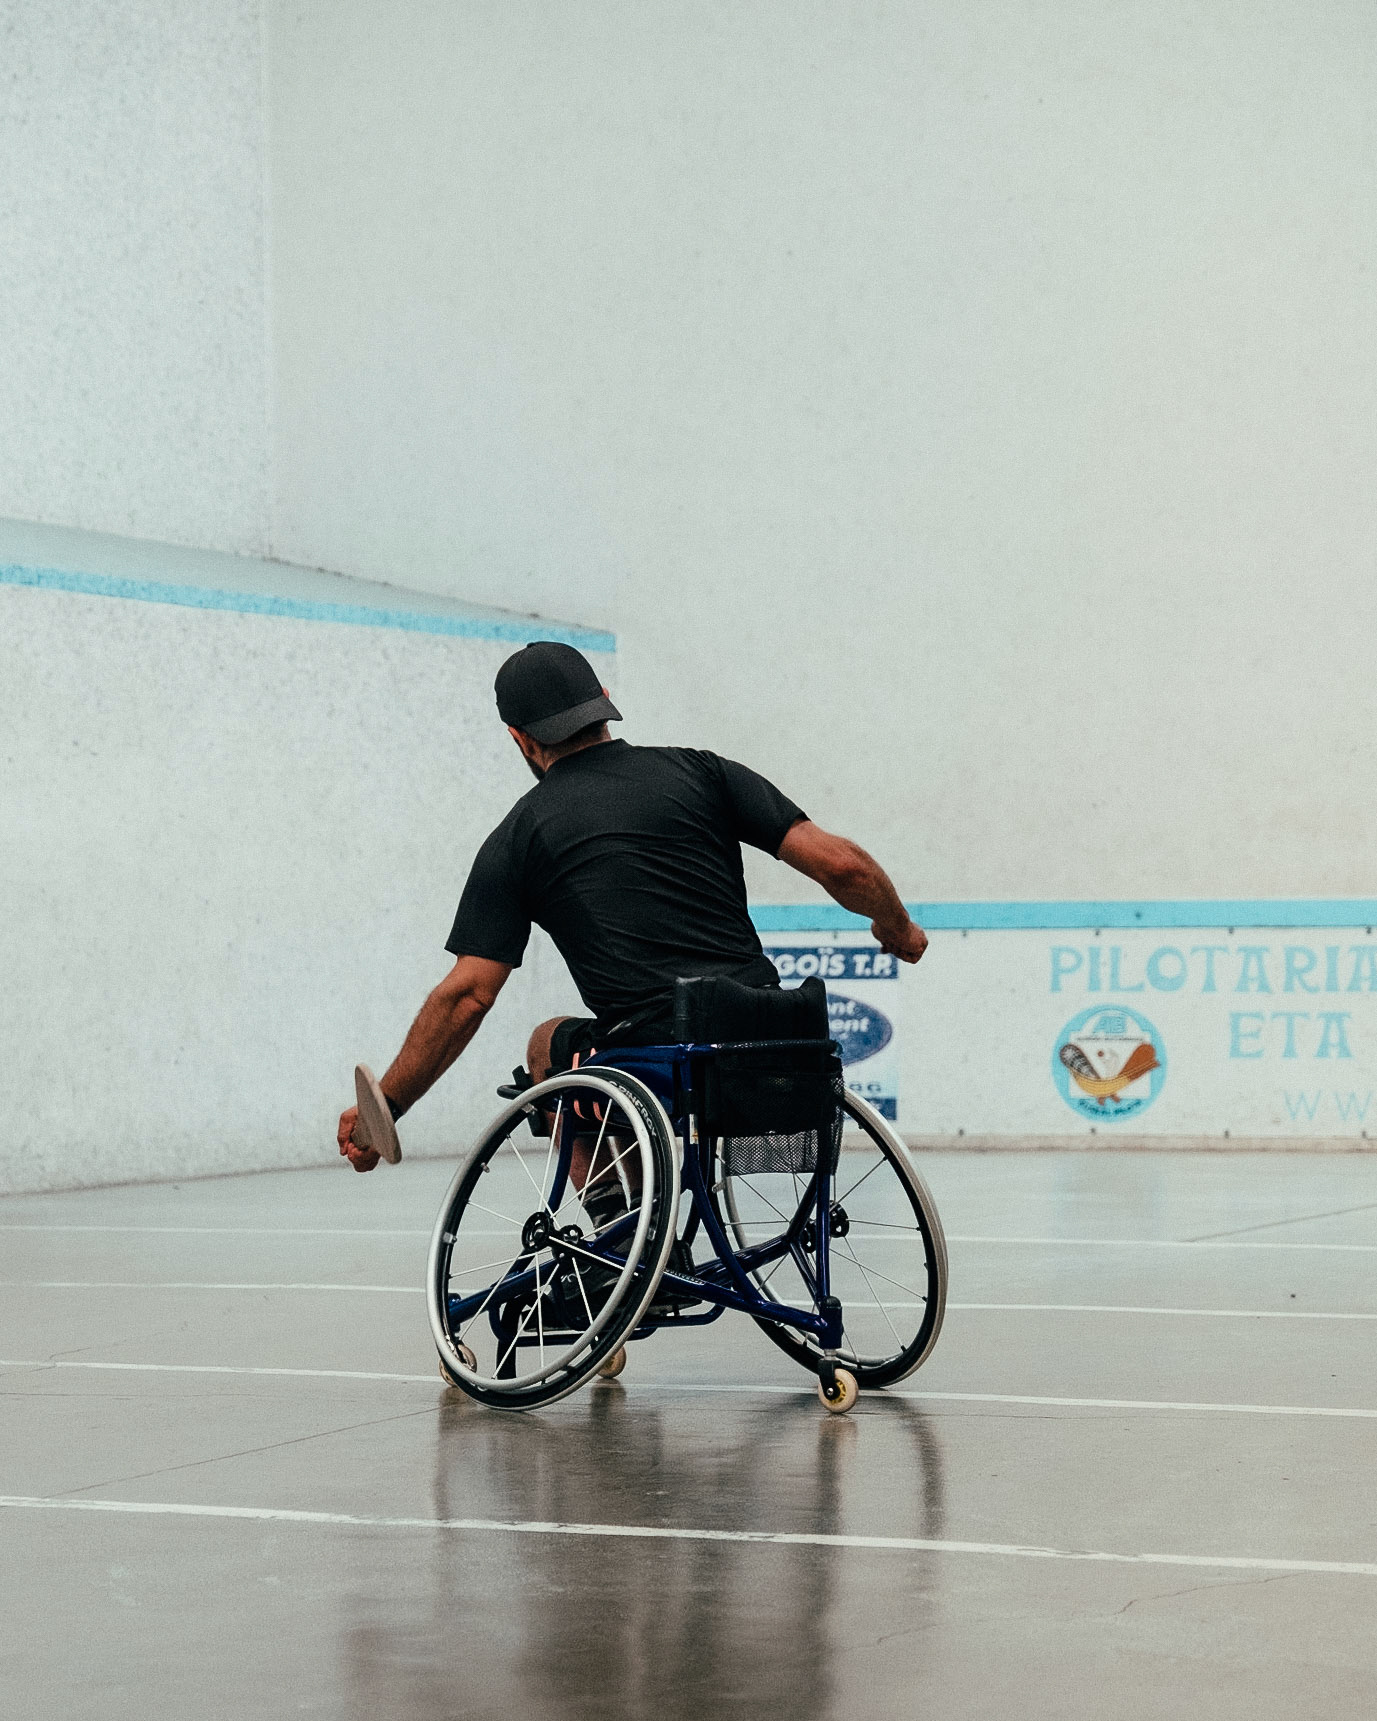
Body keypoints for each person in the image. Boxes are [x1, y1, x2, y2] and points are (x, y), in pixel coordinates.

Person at [336, 640, 926, 1174]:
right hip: (771, 1042)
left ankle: (617, 1238)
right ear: (605, 703)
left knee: (548, 1043)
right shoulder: (704, 772)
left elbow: (467, 994)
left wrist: (387, 1104)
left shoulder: (520, 835)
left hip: (661, 1061)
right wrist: (896, 925)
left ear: (520, 738)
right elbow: (841, 864)